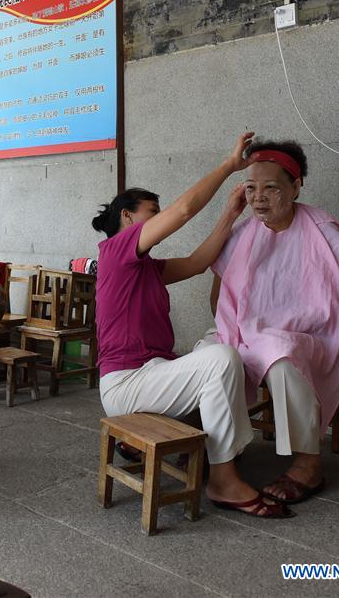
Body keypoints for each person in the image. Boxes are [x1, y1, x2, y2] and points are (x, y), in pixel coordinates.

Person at [94, 132, 292, 518]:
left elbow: (200, 261)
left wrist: (231, 213)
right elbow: (183, 211)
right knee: (220, 360)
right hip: (126, 383)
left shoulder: (145, 268)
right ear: (128, 217)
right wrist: (227, 167)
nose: (160, 216)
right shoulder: (116, 252)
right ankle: (223, 477)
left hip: (152, 372)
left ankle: (205, 454)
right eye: (153, 210)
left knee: (219, 349)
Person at [208, 140, 339, 504]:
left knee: (280, 355)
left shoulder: (322, 228)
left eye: (271, 188)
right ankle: (224, 452)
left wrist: (276, 328)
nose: (258, 198)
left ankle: (309, 464)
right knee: (210, 355)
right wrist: (237, 333)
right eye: (250, 188)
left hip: (310, 336)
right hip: (247, 333)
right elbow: (219, 296)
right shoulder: (242, 234)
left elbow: (334, 302)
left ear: (296, 187)